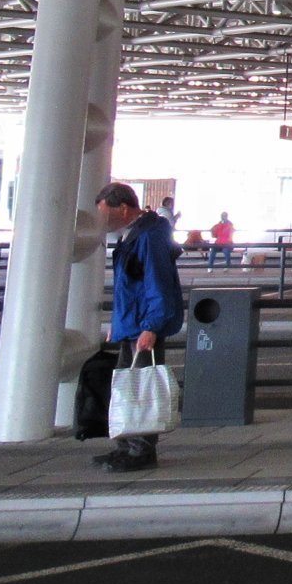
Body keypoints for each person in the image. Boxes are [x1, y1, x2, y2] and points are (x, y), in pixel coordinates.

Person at [91, 182, 184, 473]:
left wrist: (151, 327)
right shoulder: (137, 235)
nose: (102, 220)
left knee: (141, 388)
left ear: (123, 208)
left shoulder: (148, 236)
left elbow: (157, 284)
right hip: (133, 324)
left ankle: (140, 449)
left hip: (143, 325)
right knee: (128, 388)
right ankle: (127, 446)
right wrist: (118, 326)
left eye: (105, 213)